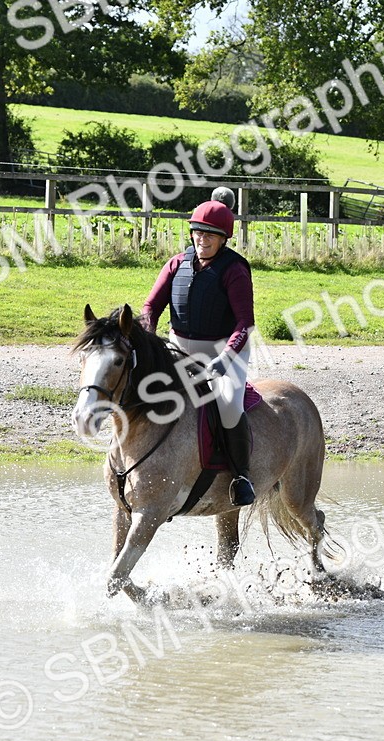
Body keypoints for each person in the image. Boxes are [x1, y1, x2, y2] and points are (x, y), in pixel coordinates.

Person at [141, 187, 256, 506]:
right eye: (197, 232)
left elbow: (244, 323)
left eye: (210, 235)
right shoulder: (176, 264)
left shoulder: (234, 270)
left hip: (224, 351)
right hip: (179, 349)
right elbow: (151, 306)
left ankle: (241, 476)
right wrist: (147, 331)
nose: (202, 240)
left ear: (224, 239)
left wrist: (226, 357)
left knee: (229, 406)